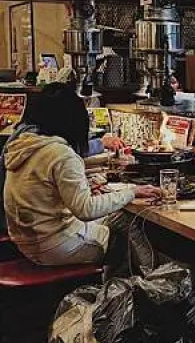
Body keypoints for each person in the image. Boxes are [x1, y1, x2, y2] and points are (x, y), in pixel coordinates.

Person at [3, 83, 160, 266]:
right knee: (127, 219)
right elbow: (86, 210)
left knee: (111, 218)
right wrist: (132, 192)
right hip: (55, 246)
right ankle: (151, 281)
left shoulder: (26, 144)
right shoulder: (60, 154)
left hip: (28, 242)